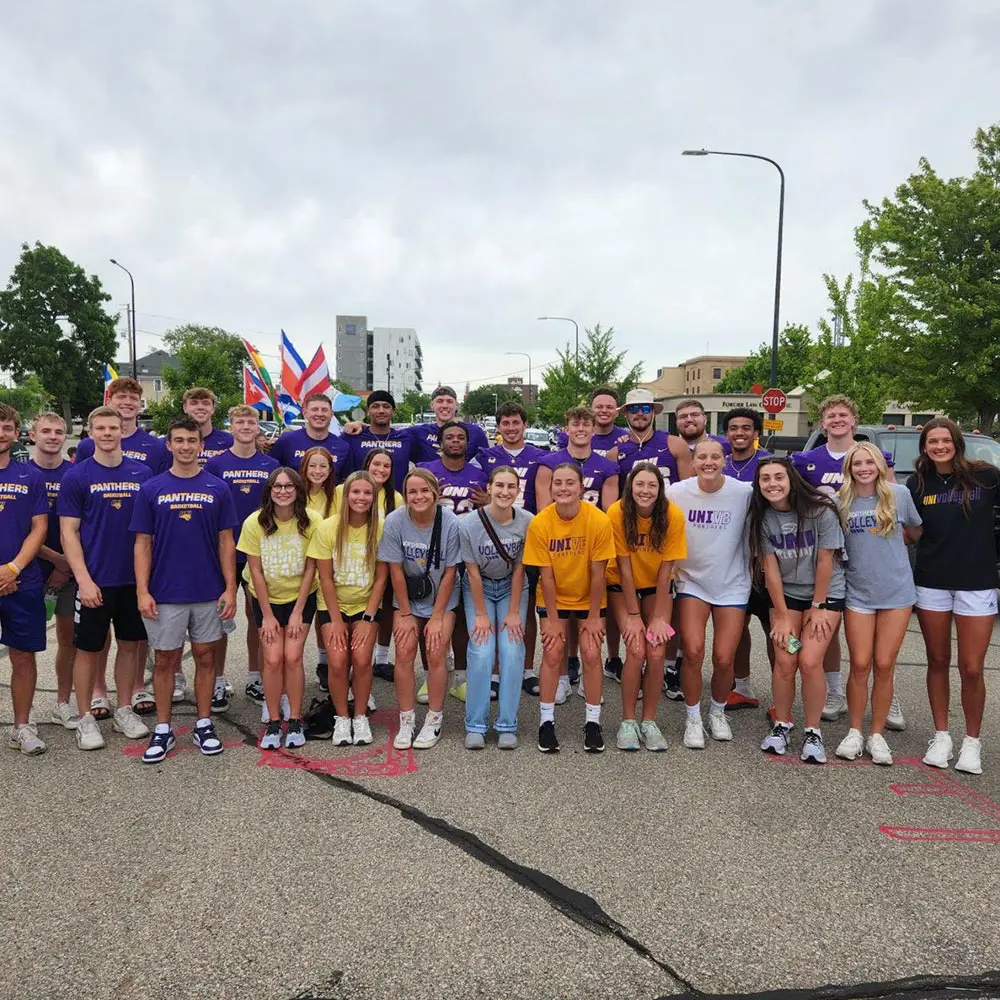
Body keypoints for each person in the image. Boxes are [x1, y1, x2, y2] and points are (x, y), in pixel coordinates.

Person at [130, 418, 239, 764]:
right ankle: (163, 729)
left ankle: (204, 723)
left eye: (192, 440)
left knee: (206, 657)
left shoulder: (218, 488)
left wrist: (231, 587)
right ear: (170, 445)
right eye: (179, 440)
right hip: (165, 591)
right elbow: (142, 544)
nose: (186, 446)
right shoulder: (151, 488)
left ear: (201, 445)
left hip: (208, 590)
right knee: (165, 660)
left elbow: (226, 542)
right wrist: (142, 591)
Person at [791, 394, 896, 726]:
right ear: (822, 423)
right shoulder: (806, 460)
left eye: (843, 415)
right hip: (827, 555)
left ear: (854, 420)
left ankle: (889, 697)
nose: (837, 420)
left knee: (879, 634)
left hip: (867, 548)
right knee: (831, 628)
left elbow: (890, 504)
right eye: (830, 416)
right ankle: (835, 690)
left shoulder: (871, 457)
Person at [908, 418, 999, 775]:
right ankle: (942, 735)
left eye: (945, 440)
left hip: (976, 581)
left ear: (957, 443)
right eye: (933, 441)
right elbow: (910, 531)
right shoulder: (916, 485)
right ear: (925, 447)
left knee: (972, 667)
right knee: (937, 660)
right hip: (932, 581)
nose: (939, 446)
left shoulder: (987, 476)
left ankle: (972, 742)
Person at [59, 406, 152, 750]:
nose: (109, 433)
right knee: (88, 649)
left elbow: (149, 532)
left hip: (132, 580)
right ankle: (85, 718)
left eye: (114, 427)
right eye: (101, 428)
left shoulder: (142, 473)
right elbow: (69, 533)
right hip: (96, 579)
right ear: (91, 432)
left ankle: (124, 708)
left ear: (123, 431)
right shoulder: (77, 476)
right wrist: (83, 579)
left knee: (130, 645)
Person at [749, 458, 846, 764]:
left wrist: (817, 607)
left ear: (791, 479)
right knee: (785, 659)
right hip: (788, 599)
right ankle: (782, 724)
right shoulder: (764, 519)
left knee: (809, 659)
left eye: (779, 477)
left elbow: (825, 561)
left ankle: (813, 731)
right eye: (765, 479)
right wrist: (779, 613)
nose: (772, 483)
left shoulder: (821, 510)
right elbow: (771, 570)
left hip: (825, 597)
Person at [835, 443, 922, 765]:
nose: (863, 468)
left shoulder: (898, 495)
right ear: (849, 468)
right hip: (858, 591)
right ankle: (854, 731)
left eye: (868, 462)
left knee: (884, 665)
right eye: (856, 463)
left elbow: (915, 530)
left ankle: (877, 734)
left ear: (879, 465)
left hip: (896, 592)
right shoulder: (839, 501)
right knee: (859, 664)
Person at [523, 462, 615, 754]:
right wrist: (550, 619)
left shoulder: (598, 520)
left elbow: (599, 572)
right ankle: (546, 722)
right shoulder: (540, 522)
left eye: (569, 483)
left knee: (590, 652)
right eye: (557, 483)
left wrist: (592, 617)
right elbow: (545, 576)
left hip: (589, 597)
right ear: (550, 489)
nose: (563, 488)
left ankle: (592, 723)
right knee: (552, 651)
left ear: (581, 487)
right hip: (554, 597)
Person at [667, 440, 753, 749]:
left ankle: (717, 712)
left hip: (732, 582)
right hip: (692, 582)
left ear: (724, 461)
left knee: (724, 656)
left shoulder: (743, 492)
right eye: (701, 456)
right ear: (692, 463)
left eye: (714, 456)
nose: (708, 462)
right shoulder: (677, 492)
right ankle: (692, 717)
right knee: (692, 650)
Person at [535, 406, 618, 702]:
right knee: (559, 607)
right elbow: (547, 508)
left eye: (586, 423)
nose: (581, 428)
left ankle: (587, 672)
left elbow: (608, 512)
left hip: (591, 541)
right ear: (566, 427)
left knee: (589, 611)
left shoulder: (607, 466)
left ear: (594, 429)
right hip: (558, 544)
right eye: (575, 423)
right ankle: (561, 675)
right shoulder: (549, 464)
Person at [378, 469, 463, 750]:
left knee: (436, 649)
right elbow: (395, 570)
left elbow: (451, 573)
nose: (419, 496)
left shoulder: (450, 522)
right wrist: (404, 614)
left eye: (424, 490)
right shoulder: (395, 521)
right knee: (403, 650)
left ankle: (434, 718)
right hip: (408, 598)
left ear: (435, 494)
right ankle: (406, 719)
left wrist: (437, 617)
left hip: (442, 596)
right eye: (412, 491)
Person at [615, 389, 692, 693]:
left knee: (671, 596)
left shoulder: (674, 444)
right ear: (626, 414)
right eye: (634, 408)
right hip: (633, 531)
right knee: (627, 591)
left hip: (668, 527)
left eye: (645, 408)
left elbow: (687, 491)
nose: (640, 413)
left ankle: (671, 665)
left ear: (654, 412)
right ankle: (623, 662)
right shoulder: (617, 451)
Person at [237, 467, 319, 750]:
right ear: (269, 490)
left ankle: (295, 718)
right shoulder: (254, 522)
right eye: (276, 486)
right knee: (272, 658)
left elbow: (311, 568)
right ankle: (273, 720)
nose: (282, 491)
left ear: (298, 490)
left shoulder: (312, 520)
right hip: (266, 598)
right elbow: (255, 572)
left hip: (301, 596)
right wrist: (268, 616)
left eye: (288, 486)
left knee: (293, 657)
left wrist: (297, 612)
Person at [607, 462, 686, 751]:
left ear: (660, 489)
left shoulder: (671, 514)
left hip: (656, 587)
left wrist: (659, 617)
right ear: (630, 487)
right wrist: (633, 615)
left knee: (656, 651)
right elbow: (624, 569)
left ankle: (649, 721)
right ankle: (628, 722)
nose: (645, 490)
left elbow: (667, 571)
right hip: (621, 586)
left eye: (652, 485)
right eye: (640, 484)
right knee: (636, 648)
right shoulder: (617, 512)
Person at [205, 405, 279, 707]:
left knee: (258, 617)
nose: (246, 426)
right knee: (219, 617)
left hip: (259, 551)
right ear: (231, 426)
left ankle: (255, 677)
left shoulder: (271, 464)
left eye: (251, 422)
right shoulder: (216, 464)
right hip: (223, 550)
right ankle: (219, 680)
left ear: (258, 428)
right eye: (240, 421)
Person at [309, 470, 389, 746]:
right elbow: (325, 578)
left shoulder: (381, 528)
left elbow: (381, 577)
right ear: (346, 496)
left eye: (368, 492)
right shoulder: (328, 527)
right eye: (355, 492)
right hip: (333, 606)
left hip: (366, 605)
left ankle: (360, 716)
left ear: (374, 496)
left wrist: (368, 618)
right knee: (339, 661)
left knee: (363, 659)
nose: (361, 497)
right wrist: (336, 619)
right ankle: (342, 718)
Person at [459, 466, 533, 749]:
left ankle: (507, 723)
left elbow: (519, 570)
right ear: (488, 488)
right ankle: (476, 724)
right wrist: (480, 614)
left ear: (518, 490)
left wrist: (514, 612)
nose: (504, 492)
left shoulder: (527, 521)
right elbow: (472, 573)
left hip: (512, 587)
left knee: (513, 650)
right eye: (499, 486)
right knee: (481, 649)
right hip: (479, 588)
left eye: (510, 487)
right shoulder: (469, 524)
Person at [417, 420, 487, 702]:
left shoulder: (479, 474)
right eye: (450, 437)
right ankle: (429, 674)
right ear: (441, 442)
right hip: (431, 553)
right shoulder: (428, 472)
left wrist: (487, 502)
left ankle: (460, 677)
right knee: (427, 616)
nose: (455, 441)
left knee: (458, 620)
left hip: (467, 554)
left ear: (466, 443)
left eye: (460, 437)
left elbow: (487, 514)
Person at [0, 404, 50, 755]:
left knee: (22, 656)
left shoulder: (29, 477)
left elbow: (39, 528)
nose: (1, 432)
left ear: (17, 432)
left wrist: (13, 568)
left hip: (22, 579)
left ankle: (21, 726)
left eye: (7, 426)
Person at [722, 407, 774, 710]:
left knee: (775, 629)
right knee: (737, 628)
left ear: (756, 433)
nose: (739, 433)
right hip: (733, 561)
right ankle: (742, 687)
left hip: (766, 562)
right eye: (733, 428)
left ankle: (784, 686)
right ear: (727, 433)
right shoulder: (721, 465)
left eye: (746, 428)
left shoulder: (770, 464)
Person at [29, 412, 78, 729]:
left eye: (59, 432)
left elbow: (85, 527)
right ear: (32, 435)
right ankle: (26, 710)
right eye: (45, 431)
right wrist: (54, 559)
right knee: (24, 644)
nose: (52, 436)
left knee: (68, 640)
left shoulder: (75, 475)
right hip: (27, 568)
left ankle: (63, 702)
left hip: (70, 570)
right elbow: (18, 527)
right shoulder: (20, 474)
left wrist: (67, 565)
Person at [359, 448, 406, 684]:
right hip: (357, 563)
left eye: (386, 466)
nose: (380, 469)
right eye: (376, 464)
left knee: (385, 608)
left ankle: (382, 658)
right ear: (367, 464)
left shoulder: (395, 498)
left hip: (384, 563)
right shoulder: (351, 490)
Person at [74, 376, 169, 473]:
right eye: (121, 397)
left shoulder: (157, 446)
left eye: (133, 398)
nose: (128, 402)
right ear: (108, 402)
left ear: (140, 405)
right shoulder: (88, 445)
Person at [269, 392, 353, 479]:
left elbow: (345, 484)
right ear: (305, 413)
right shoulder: (286, 441)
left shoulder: (343, 447)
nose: (319, 414)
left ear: (331, 414)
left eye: (324, 410)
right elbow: (272, 476)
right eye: (314, 409)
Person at [344, 390, 414, 492]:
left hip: (396, 502)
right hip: (362, 501)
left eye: (386, 406)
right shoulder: (353, 436)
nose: (381, 411)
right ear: (368, 411)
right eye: (375, 406)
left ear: (393, 411)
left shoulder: (406, 438)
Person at [406, 385, 490, 462]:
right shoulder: (417, 433)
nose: (445, 405)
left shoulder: (475, 433)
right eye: (440, 401)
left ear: (456, 405)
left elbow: (486, 464)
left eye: (449, 401)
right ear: (432, 405)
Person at [556, 387, 631, 458]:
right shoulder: (570, 436)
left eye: (609, 407)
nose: (604, 411)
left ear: (617, 412)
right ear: (590, 410)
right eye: (599, 407)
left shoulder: (625, 438)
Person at [182, 387, 234, 465]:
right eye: (194, 403)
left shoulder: (230, 442)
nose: (200, 407)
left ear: (213, 409)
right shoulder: (172, 443)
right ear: (185, 408)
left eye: (206, 403)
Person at [301, 446, 337, 519]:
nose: (317, 471)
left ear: (329, 470)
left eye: (323, 466)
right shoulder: (294, 493)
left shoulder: (335, 495)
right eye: (312, 466)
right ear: (305, 467)